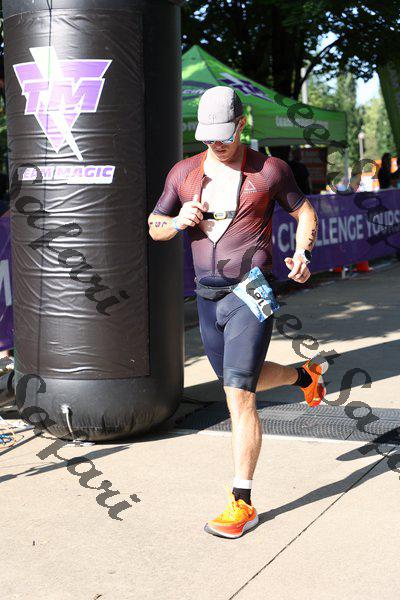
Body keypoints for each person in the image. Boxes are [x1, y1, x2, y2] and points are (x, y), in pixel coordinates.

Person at [148, 86, 325, 539]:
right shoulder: (183, 173)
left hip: (251, 291)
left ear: (241, 126)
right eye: (207, 137)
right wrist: (177, 222)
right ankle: (303, 377)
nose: (216, 144)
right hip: (208, 297)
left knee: (238, 394)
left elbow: (305, 212)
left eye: (224, 136)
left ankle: (242, 502)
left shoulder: (270, 170)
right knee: (238, 378)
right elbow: (154, 226)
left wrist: (303, 252)